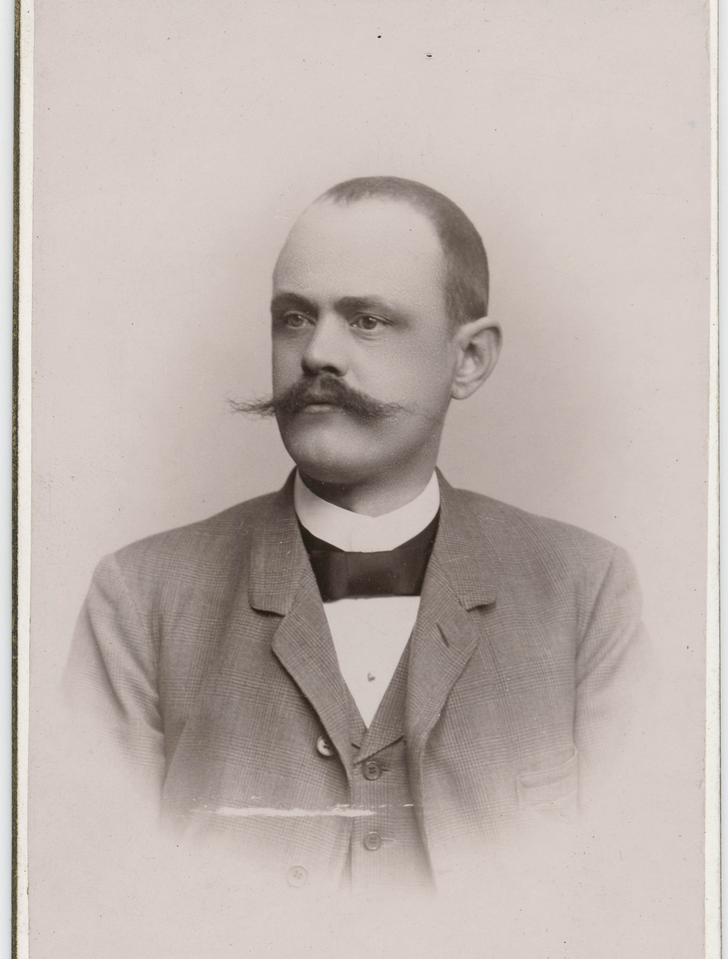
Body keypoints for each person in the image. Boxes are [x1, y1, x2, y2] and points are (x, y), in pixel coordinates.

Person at [65, 176, 651, 895]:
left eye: (367, 320)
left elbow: (622, 889)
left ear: (469, 359)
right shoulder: (138, 599)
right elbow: (101, 893)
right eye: (293, 317)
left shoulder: (586, 592)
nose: (317, 353)